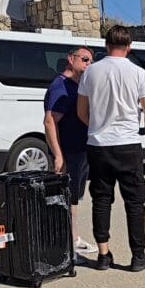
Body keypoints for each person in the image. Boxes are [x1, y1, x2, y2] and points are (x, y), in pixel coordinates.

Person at [76, 26, 145, 272]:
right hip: (128, 144)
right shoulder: (138, 73)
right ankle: (138, 256)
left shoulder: (91, 72)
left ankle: (103, 254)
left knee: (101, 199)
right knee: (134, 201)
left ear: (106, 45)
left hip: (98, 145)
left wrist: (98, 126)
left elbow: (81, 112)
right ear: (129, 47)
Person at [44, 46, 96, 257]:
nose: (87, 64)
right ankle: (65, 247)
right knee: (66, 198)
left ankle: (73, 238)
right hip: (69, 153)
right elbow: (49, 122)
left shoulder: (77, 86)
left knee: (75, 197)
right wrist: (58, 155)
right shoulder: (60, 87)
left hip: (80, 151)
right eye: (84, 59)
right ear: (70, 59)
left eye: (90, 61)